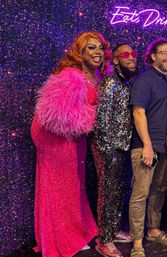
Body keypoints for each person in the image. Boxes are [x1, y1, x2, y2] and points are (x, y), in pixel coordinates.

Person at [31, 31, 111, 257]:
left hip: (75, 135)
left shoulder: (99, 76)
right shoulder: (72, 75)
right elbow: (57, 115)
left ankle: (78, 231)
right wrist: (97, 117)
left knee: (74, 184)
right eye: (91, 48)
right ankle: (63, 237)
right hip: (55, 136)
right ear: (80, 52)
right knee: (61, 186)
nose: (97, 52)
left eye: (100, 48)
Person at [129, 38, 167, 257]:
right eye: (164, 53)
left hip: (165, 148)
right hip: (145, 147)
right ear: (154, 56)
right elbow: (138, 112)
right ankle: (137, 242)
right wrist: (147, 145)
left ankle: (153, 230)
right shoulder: (144, 80)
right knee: (140, 194)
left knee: (159, 192)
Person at [91, 43, 138, 257]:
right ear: (116, 60)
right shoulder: (110, 83)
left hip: (122, 146)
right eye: (125, 55)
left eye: (134, 55)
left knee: (118, 191)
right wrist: (106, 149)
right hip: (108, 147)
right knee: (108, 193)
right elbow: (101, 119)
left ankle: (114, 229)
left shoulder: (126, 82)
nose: (131, 58)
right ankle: (104, 240)